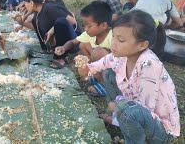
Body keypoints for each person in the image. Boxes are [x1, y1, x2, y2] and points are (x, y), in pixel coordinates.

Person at [77, 10, 180, 143]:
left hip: (159, 127)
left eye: (120, 40)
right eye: (113, 36)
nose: (113, 43)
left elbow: (145, 109)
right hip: (134, 109)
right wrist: (84, 67)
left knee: (127, 110)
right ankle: (118, 118)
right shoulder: (120, 56)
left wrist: (118, 104)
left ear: (142, 45)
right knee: (108, 73)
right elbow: (92, 68)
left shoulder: (149, 65)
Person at [14, 0, 79, 69]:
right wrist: (21, 22)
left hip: (72, 42)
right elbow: (35, 27)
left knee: (60, 22)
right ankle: (49, 50)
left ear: (31, 3)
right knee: (36, 22)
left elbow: (73, 22)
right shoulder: (37, 13)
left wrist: (52, 29)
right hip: (56, 44)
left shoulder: (50, 8)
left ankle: (61, 58)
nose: (24, 5)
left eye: (25, 2)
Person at [55, 1, 112, 95]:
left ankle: (107, 86)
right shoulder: (89, 34)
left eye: (89, 26)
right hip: (98, 67)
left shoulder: (113, 36)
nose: (85, 29)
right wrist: (64, 48)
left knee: (97, 52)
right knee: (82, 45)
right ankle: (95, 77)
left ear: (103, 25)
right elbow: (73, 42)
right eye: (84, 25)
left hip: (113, 72)